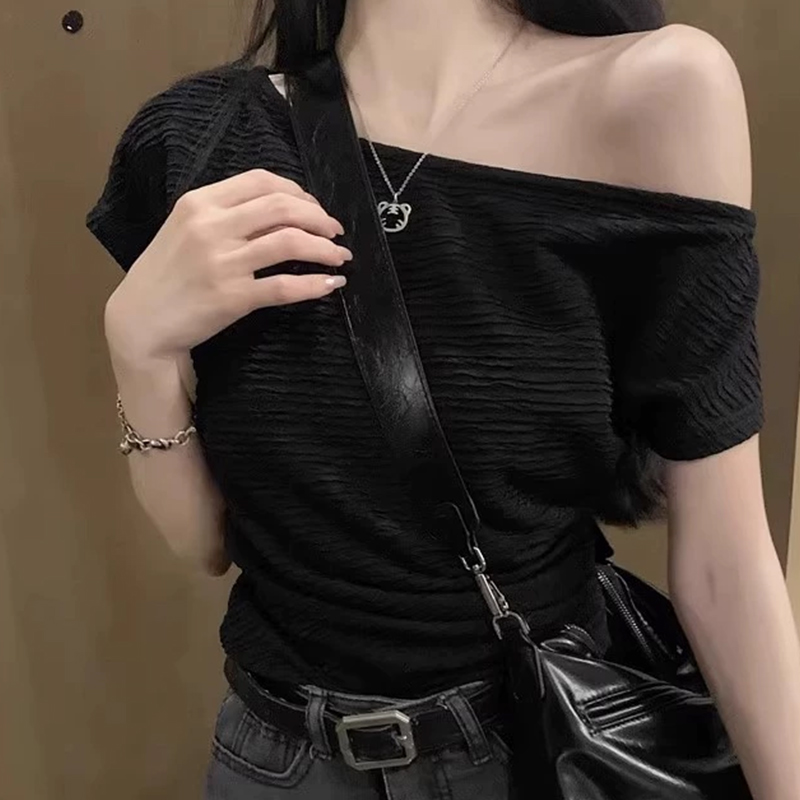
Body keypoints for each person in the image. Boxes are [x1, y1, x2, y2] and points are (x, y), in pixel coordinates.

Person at [86, 0, 800, 798]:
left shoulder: (656, 91)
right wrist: (138, 350)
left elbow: (725, 564)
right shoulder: (199, 136)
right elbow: (207, 543)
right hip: (273, 761)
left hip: (534, 752)